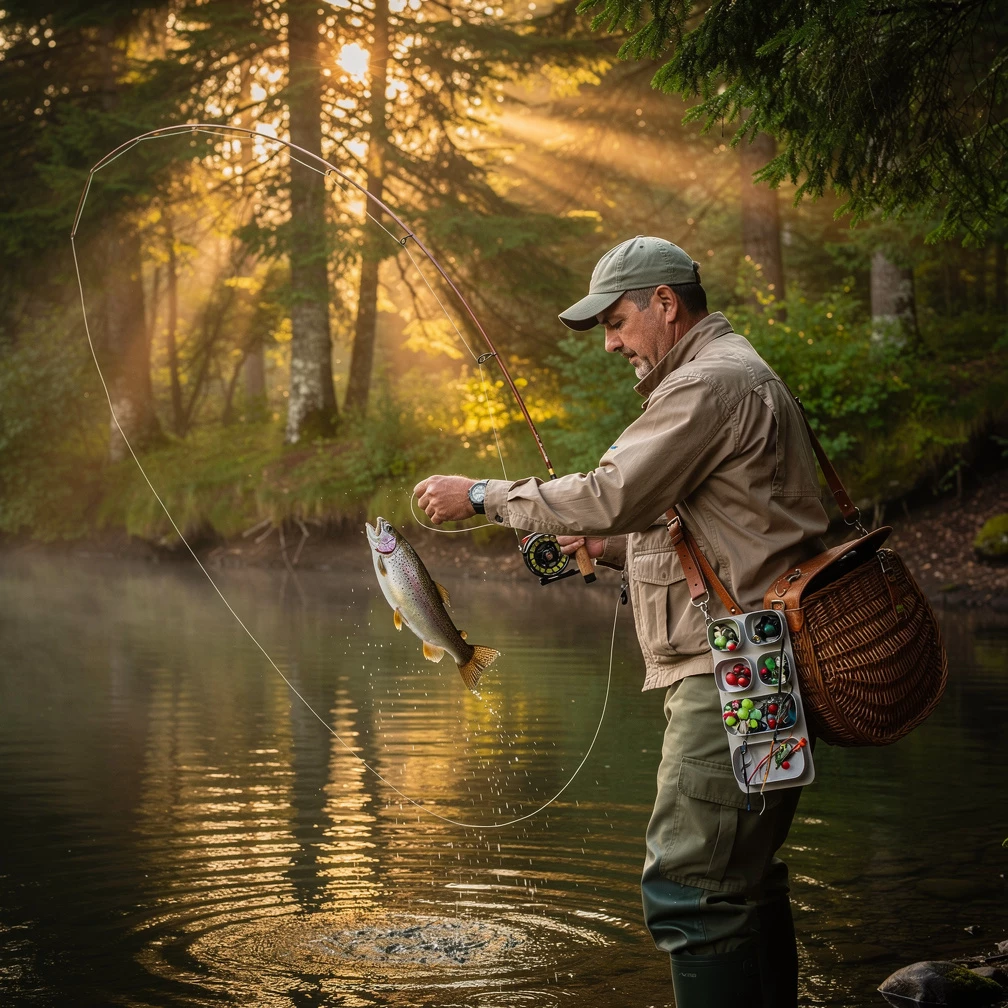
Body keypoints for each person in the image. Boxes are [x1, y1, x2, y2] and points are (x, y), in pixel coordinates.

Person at [413, 235, 829, 1006]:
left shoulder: (709, 384)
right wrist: (608, 551)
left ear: (664, 304)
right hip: (763, 660)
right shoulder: (736, 371)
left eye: (615, 322)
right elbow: (733, 531)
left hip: (730, 672)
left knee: (691, 889)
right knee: (744, 882)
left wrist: (482, 496)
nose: (610, 343)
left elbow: (612, 490)